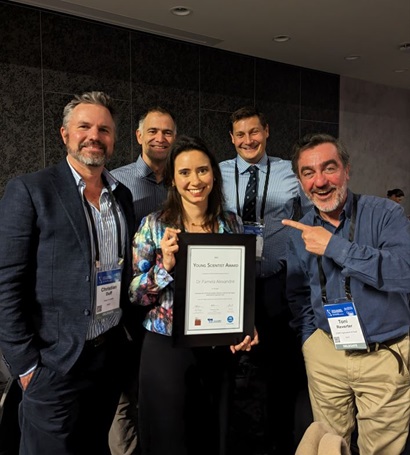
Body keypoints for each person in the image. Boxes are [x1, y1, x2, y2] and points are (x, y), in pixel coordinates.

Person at [0, 91, 136, 455]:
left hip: (106, 358)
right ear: (65, 134)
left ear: (113, 139)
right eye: (84, 126)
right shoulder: (30, 190)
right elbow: (6, 284)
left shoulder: (120, 196)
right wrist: (27, 367)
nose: (95, 135)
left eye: (104, 129)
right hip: (54, 364)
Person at [130, 135, 259, 455]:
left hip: (218, 347)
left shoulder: (230, 222)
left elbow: (240, 283)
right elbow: (135, 295)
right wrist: (165, 267)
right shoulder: (155, 226)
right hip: (167, 350)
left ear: (214, 175)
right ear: (173, 179)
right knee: (169, 439)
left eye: (202, 171)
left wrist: (246, 323)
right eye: (184, 172)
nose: (195, 180)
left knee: (213, 436)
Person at [282, 133, 410, 455]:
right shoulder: (299, 231)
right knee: (327, 445)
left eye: (329, 168)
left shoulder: (384, 214)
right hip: (326, 354)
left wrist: (335, 247)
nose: (320, 181)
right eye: (308, 173)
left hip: (383, 356)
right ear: (300, 180)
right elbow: (297, 292)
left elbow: (405, 271)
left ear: (347, 170)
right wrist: (310, 341)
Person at [219, 106, 313, 454]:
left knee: (278, 366)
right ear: (231, 138)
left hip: (277, 282)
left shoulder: (291, 173)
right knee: (234, 364)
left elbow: (311, 218)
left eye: (254, 132)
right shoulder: (217, 172)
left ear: (267, 131)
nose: (248, 140)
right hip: (230, 281)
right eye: (240, 134)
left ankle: (278, 439)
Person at [109, 106, 177, 455]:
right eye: (152, 131)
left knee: (153, 391)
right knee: (124, 393)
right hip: (127, 299)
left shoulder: (180, 180)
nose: (159, 138)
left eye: (166, 132)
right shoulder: (117, 180)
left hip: (166, 303)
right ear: (138, 136)